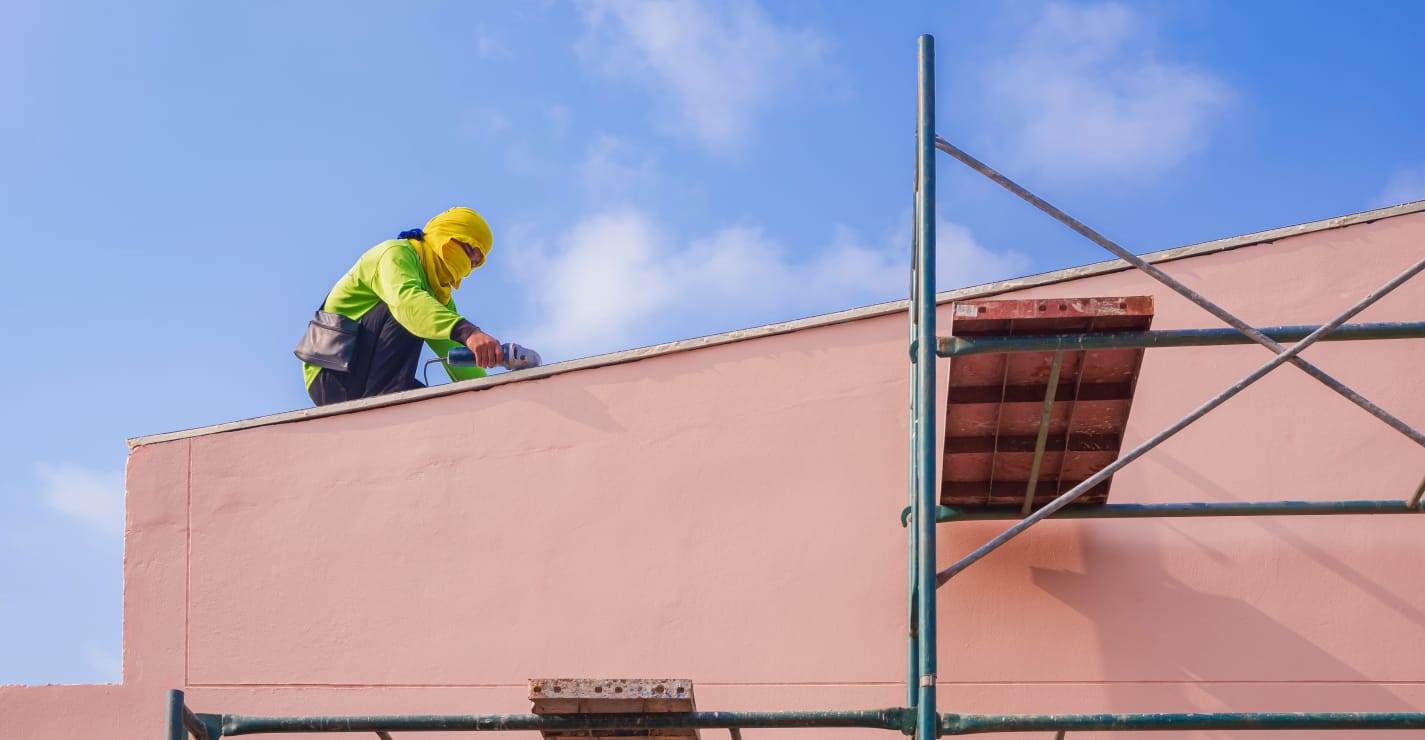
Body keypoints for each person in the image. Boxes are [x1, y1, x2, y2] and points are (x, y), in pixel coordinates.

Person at [299, 206, 504, 406]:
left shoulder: (438, 294)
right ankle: (384, 403)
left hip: (365, 377)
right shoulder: (396, 254)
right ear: (445, 235)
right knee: (409, 312)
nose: (467, 266)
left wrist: (487, 395)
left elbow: (452, 348)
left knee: (435, 408)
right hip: (332, 373)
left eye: (475, 263)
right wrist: (468, 332)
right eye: (468, 252)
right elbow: (407, 303)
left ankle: (390, 409)